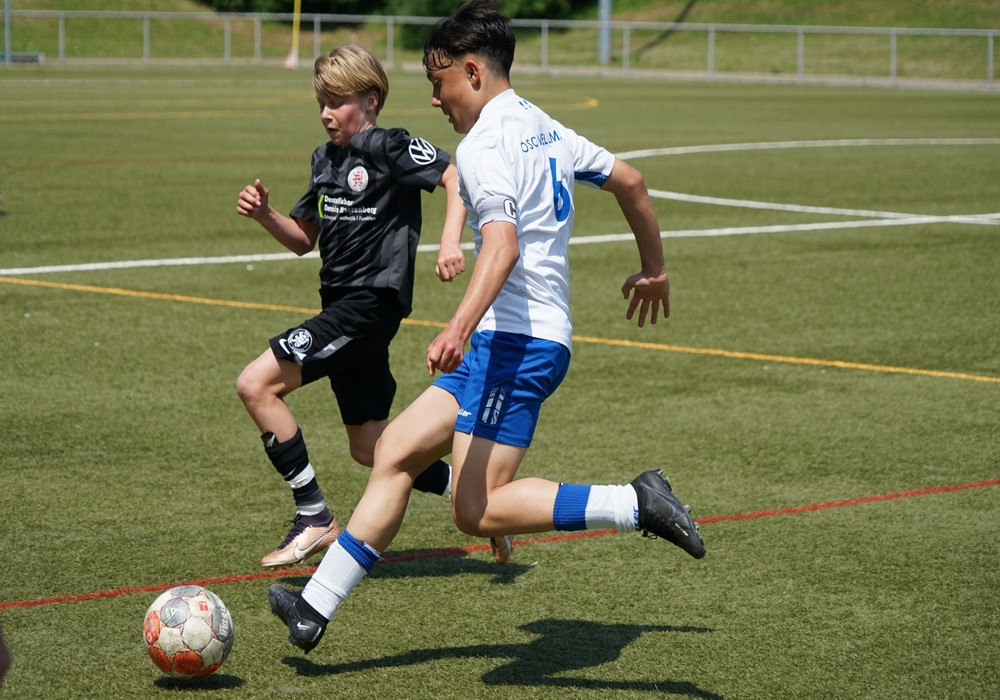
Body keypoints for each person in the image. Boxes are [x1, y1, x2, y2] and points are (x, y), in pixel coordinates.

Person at [268, 0, 705, 652]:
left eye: (438, 82)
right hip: (510, 338)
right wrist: (655, 269)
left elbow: (502, 246)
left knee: (475, 511)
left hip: (517, 343)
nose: (435, 99)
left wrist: (457, 328)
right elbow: (632, 183)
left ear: (472, 72)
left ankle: (635, 503)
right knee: (393, 451)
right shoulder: (544, 126)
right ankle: (314, 608)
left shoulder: (481, 146)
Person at [234, 43, 504, 570]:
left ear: (371, 99)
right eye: (321, 103)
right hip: (340, 306)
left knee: (255, 384)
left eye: (337, 102)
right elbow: (303, 239)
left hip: (366, 307)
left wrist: (450, 242)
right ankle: (474, 494)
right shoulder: (324, 159)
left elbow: (452, 177)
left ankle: (313, 515)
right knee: (371, 447)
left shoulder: (389, 145)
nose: (326, 113)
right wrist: (266, 215)